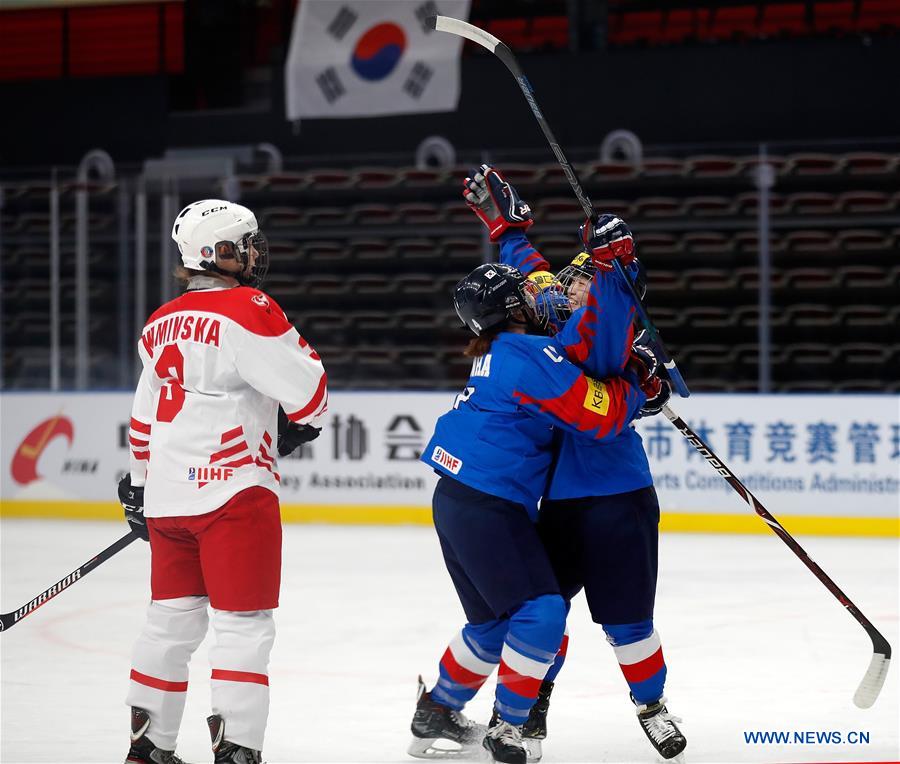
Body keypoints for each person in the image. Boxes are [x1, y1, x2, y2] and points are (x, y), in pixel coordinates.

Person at [463, 166, 686, 762]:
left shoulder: (600, 330)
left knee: (630, 621)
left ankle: (653, 706)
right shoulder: (557, 317)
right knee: (545, 615)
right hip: (557, 502)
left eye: (580, 280)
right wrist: (508, 229)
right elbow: (534, 279)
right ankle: (532, 707)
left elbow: (608, 311)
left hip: (618, 496)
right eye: (567, 281)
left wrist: (618, 265)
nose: (564, 288)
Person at [409, 262, 663, 764]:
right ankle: (509, 727)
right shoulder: (529, 355)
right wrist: (639, 382)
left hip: (458, 499)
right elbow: (601, 417)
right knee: (542, 611)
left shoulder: (501, 350)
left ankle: (435, 711)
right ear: (512, 311)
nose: (540, 295)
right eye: (527, 293)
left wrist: (512, 234)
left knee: (492, 625)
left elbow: (566, 328)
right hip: (489, 502)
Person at [118, 199, 327, 764]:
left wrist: (139, 485)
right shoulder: (249, 307)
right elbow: (310, 391)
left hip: (167, 497)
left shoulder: (158, 322)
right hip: (235, 495)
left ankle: (148, 746)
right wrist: (297, 425)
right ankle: (236, 751)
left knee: (169, 623)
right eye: (248, 242)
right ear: (220, 253)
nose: (257, 252)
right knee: (242, 627)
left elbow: (143, 418)